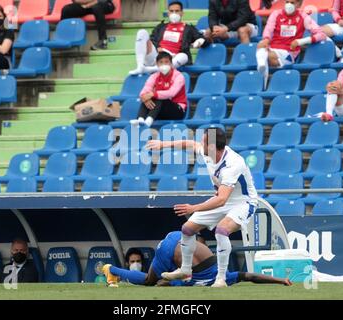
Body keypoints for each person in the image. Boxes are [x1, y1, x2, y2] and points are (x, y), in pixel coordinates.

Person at [145, 128, 259, 288]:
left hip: (243, 203)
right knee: (187, 228)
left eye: (204, 141)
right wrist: (163, 144)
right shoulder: (207, 152)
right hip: (223, 199)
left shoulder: (233, 163)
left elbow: (221, 199)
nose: (200, 143)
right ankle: (185, 270)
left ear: (212, 147)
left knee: (221, 230)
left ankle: (221, 279)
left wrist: (194, 208)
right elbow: (189, 144)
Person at [102, 231, 292, 287]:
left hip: (180, 237)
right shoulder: (214, 279)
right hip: (171, 250)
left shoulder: (223, 276)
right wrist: (279, 280)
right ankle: (111, 270)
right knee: (148, 281)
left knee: (151, 280)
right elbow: (249, 276)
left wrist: (280, 280)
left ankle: (112, 271)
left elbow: (249, 276)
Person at [256, 0, 326, 87]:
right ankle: (263, 67)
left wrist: (300, 41)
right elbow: (268, 29)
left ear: (299, 4)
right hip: (273, 49)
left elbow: (321, 34)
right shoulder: (276, 14)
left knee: (265, 55)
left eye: (292, 2)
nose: (289, 5)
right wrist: (266, 39)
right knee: (261, 46)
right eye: (287, 2)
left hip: (289, 52)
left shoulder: (303, 16)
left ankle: (262, 71)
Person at [129, 1, 208, 75]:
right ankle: (140, 66)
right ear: (168, 13)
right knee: (142, 32)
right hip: (157, 57)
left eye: (177, 11)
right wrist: (158, 48)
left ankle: (151, 70)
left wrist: (200, 41)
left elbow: (203, 40)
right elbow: (152, 40)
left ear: (182, 13)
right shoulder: (161, 27)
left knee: (184, 56)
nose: (174, 13)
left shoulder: (189, 29)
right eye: (171, 11)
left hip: (174, 59)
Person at [130, 52, 187, 128]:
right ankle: (140, 119)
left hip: (177, 110)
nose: (164, 64)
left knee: (158, 98)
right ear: (157, 64)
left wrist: (153, 94)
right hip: (161, 111)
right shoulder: (154, 76)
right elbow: (144, 91)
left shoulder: (179, 76)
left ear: (171, 63)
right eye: (161, 62)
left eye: (166, 62)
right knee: (146, 97)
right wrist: (146, 98)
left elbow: (171, 93)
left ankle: (148, 122)